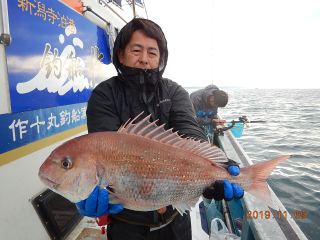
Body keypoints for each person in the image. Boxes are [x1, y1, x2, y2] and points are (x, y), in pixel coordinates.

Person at [76, 18, 243, 240]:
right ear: (120, 54)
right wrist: (89, 190)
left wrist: (217, 166)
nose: (144, 58)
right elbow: (105, 150)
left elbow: (189, 130)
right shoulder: (105, 95)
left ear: (160, 59)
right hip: (127, 227)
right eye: (136, 50)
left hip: (177, 223)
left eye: (152, 53)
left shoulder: (174, 92)